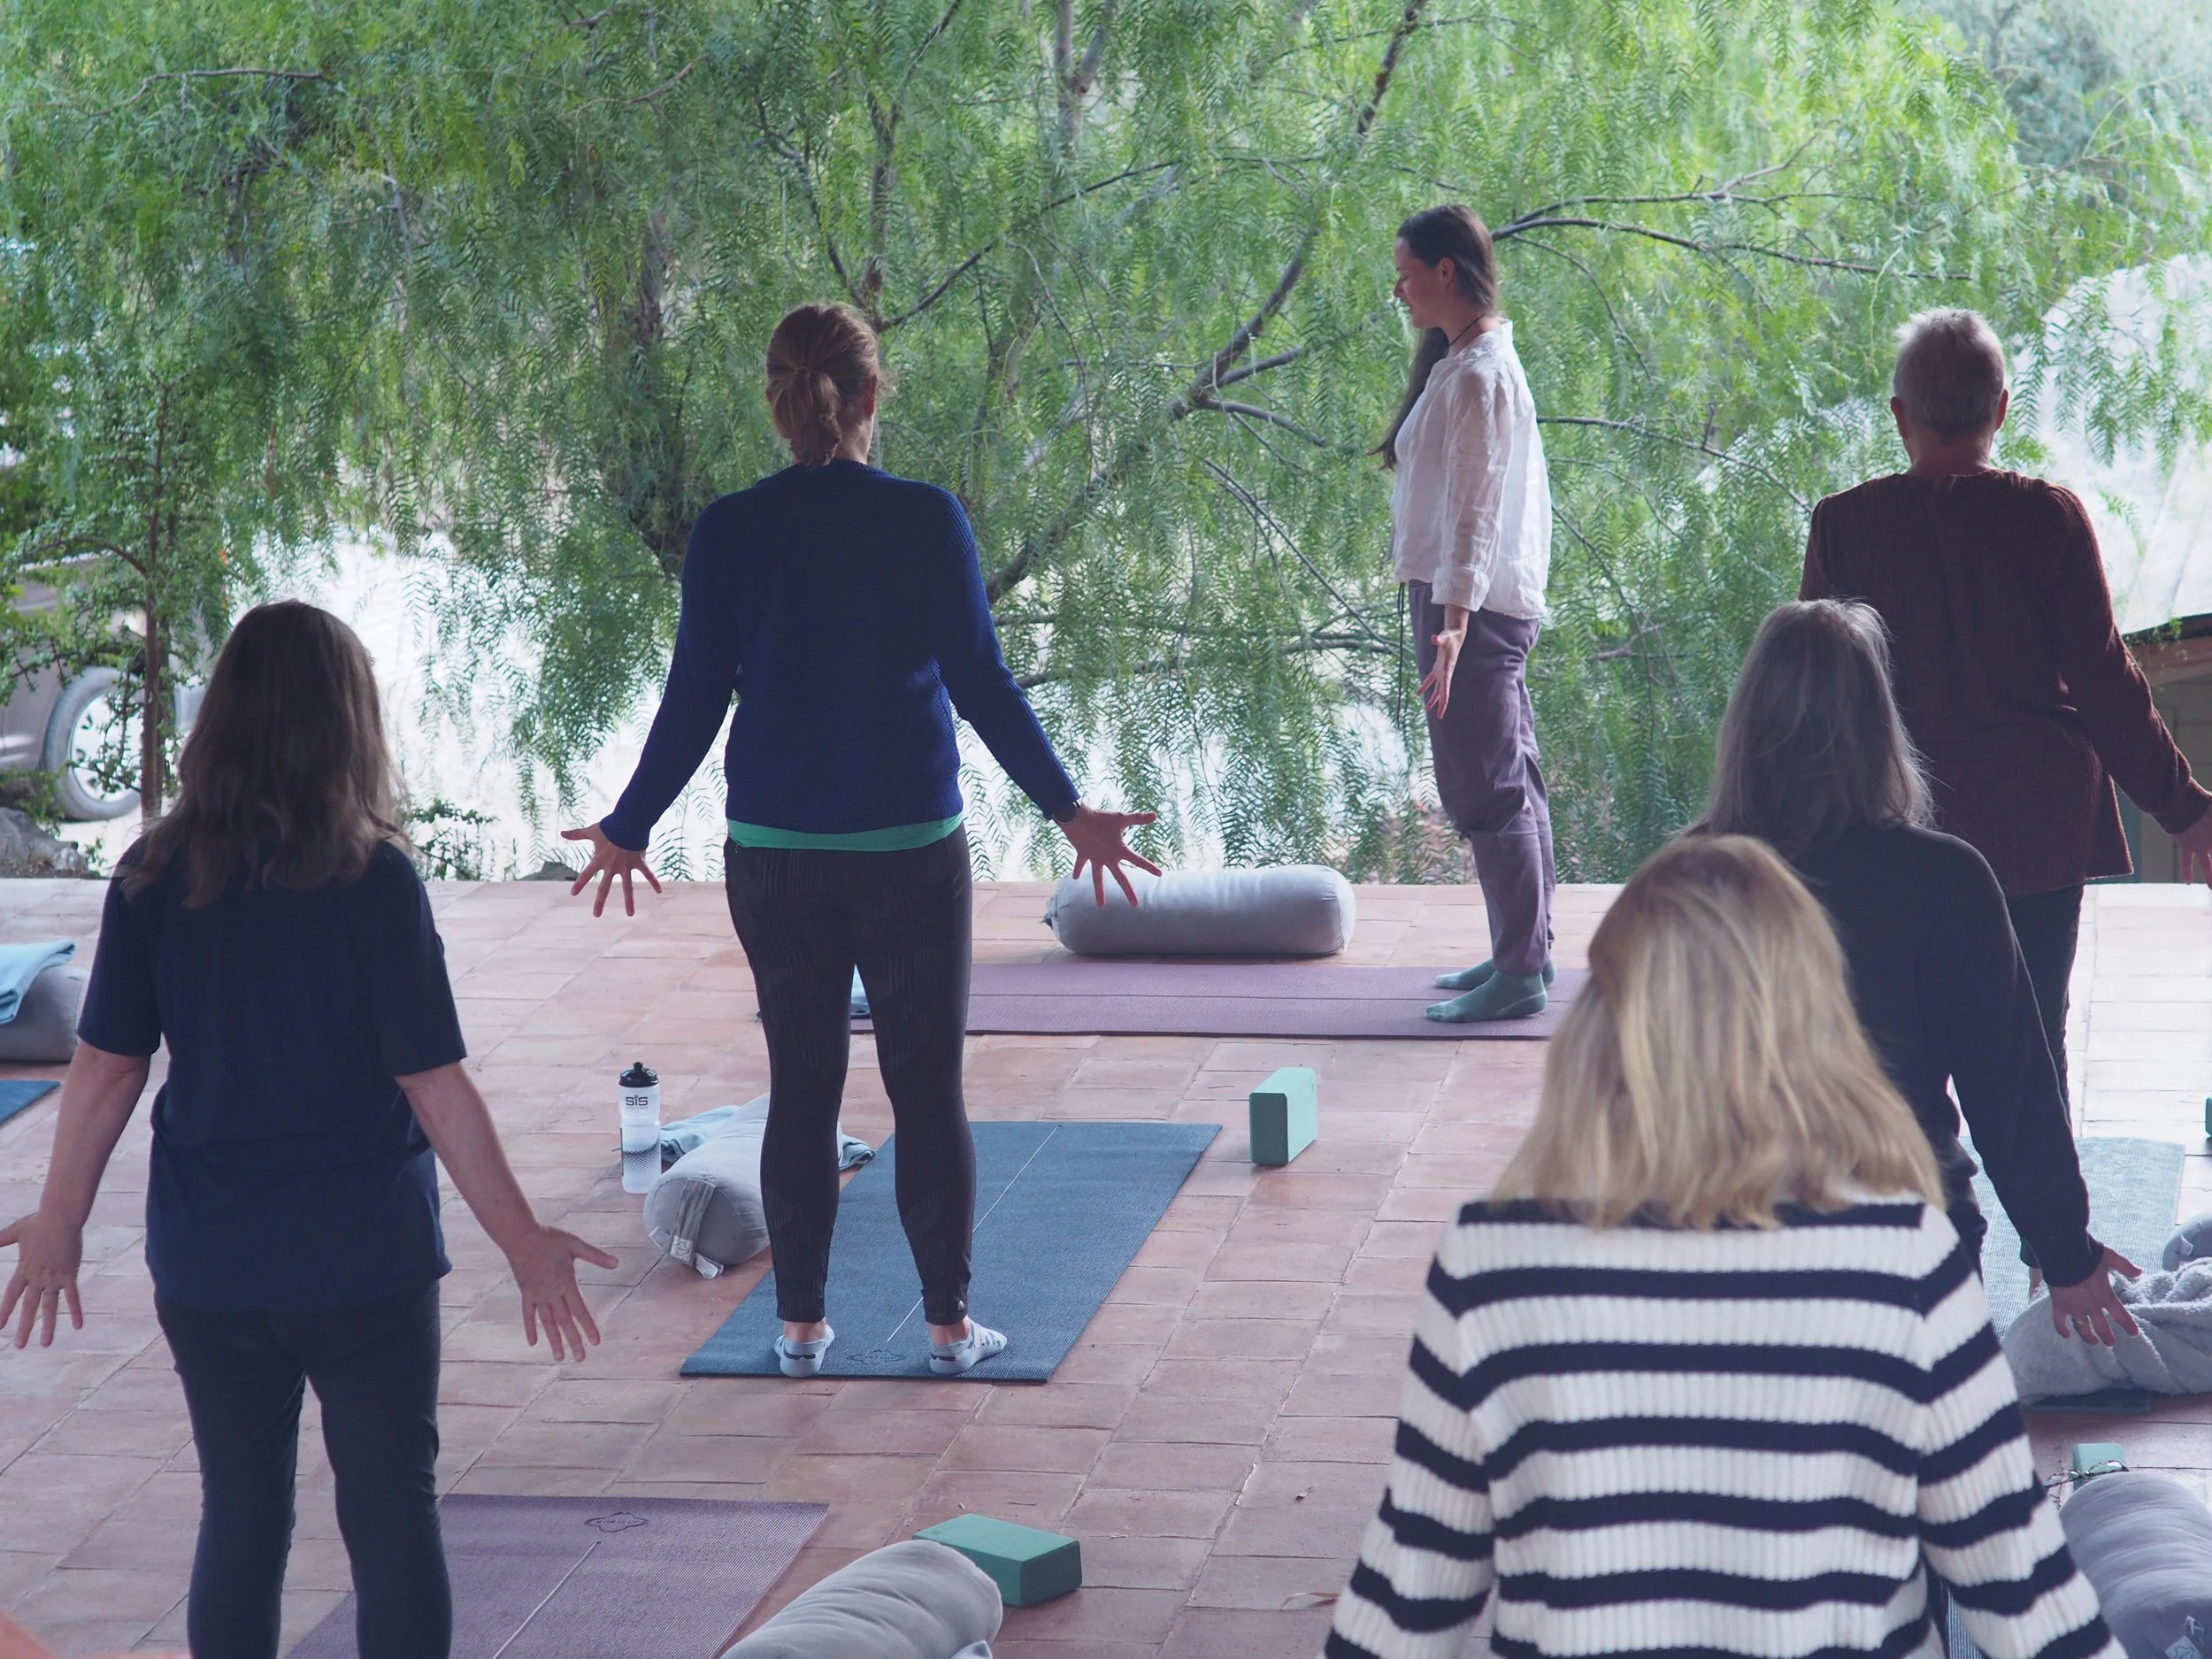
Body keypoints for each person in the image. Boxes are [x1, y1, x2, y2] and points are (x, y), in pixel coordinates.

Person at [1327, 835, 2121, 1659]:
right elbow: (2030, 1611)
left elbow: (1397, 1618)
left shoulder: (1490, 1268)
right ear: (1816, 1025)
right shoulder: (1905, 1265)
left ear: (1607, 1022)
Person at [0, 602, 614, 1659]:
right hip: (361, 1259)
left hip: (211, 1260)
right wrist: (524, 1245)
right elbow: (434, 1086)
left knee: (240, 1516)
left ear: (220, 719)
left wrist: (59, 1222)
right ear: (348, 723)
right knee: (389, 1516)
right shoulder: (373, 881)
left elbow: (105, 1069)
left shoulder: (152, 874)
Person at [563, 303, 1156, 1379]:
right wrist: (1069, 811)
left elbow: (694, 698)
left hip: (773, 854)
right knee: (927, 1089)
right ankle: (946, 1329)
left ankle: (798, 1333)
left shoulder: (728, 531)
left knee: (802, 1082)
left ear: (775, 403)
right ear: (871, 397)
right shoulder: (925, 519)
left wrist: (627, 825)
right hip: (908, 853)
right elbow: (979, 682)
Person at [1696, 598, 2139, 1343]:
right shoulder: (1945, 879)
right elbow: (2012, 1092)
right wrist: (2068, 1255)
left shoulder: (1686, 881)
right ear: (1880, 727)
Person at [1802, 307, 2212, 1094]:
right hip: (2038, 831)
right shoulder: (2047, 519)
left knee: (1903, 1049)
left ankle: (1935, 1212)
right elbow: (2103, 682)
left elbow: (1817, 696)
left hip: (1903, 830)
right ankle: (2053, 1222)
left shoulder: (1844, 526)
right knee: (2030, 1045)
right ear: (1999, 410)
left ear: (1900, 415)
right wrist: (2182, 804)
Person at [1380, 204, 1557, 1023]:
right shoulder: (1466, 362)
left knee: (1486, 784)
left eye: (1409, 276)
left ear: (1447, 273)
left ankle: (1520, 970)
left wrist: (1452, 625)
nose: (1401, 291)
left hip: (1471, 607)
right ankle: (1522, 953)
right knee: (1507, 772)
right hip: (1466, 599)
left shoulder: (1482, 371)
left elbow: (1476, 512)